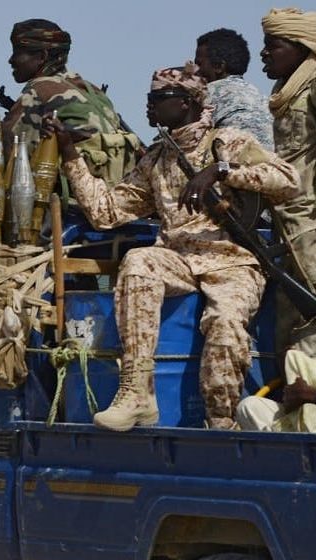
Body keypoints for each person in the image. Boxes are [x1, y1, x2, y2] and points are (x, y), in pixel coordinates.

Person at [43, 62, 299, 431]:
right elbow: (106, 211)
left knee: (225, 326)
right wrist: (70, 154)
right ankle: (136, 393)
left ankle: (222, 425)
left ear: (187, 103)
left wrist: (223, 170)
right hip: (179, 258)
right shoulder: (157, 158)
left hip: (231, 262)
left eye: (158, 98)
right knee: (139, 261)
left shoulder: (227, 142)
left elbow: (288, 180)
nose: (149, 106)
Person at [0, 19, 141, 213]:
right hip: (110, 191)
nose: (11, 60)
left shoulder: (38, 89)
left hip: (72, 194)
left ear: (42, 56)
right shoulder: (92, 90)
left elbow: (11, 156)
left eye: (17, 52)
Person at [236, 7, 316, 432]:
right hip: (287, 222)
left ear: (301, 48)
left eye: (274, 46)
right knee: (289, 324)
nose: (264, 54)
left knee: (311, 319)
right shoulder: (288, 91)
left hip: (310, 224)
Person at [195, 28, 274, 149]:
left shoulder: (209, 92)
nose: (195, 71)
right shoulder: (256, 93)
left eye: (199, 64)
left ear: (218, 66)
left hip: (235, 163)